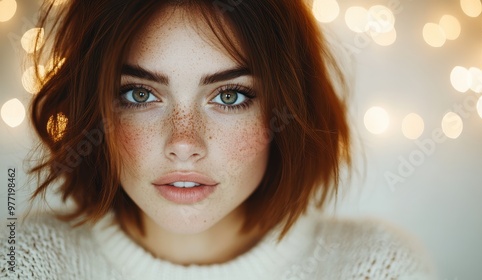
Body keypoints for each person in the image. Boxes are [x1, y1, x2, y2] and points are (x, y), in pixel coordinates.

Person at [1, 0, 435, 279]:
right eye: (139, 94)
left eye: (229, 96)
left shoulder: (375, 267)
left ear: (287, 109)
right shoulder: (22, 262)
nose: (184, 142)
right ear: (93, 110)